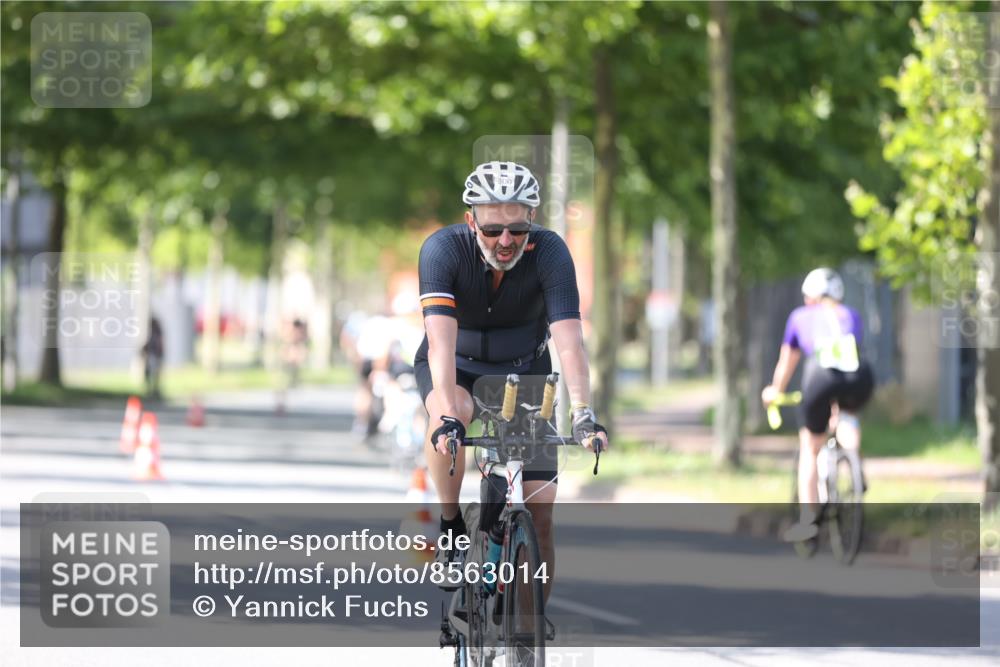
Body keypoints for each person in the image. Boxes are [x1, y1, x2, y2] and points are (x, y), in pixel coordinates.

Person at [415, 160, 609, 593]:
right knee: (455, 412)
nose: (506, 241)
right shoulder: (442, 251)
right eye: (492, 229)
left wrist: (583, 413)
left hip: (525, 374)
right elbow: (440, 345)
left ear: (532, 220)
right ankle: (450, 526)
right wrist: (447, 416)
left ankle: (529, 630)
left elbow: (570, 342)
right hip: (457, 369)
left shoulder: (551, 252)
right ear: (471, 221)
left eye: (517, 229)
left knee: (542, 511)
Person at [761, 268, 874, 542]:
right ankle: (855, 464)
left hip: (819, 377)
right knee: (847, 415)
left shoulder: (800, 317)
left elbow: (788, 360)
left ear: (809, 296)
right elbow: (846, 358)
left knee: (810, 446)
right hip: (859, 377)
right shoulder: (851, 315)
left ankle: (808, 520)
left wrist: (775, 391)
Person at [141, 317, 165, 401]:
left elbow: (155, 346)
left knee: (153, 375)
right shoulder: (153, 335)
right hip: (153, 357)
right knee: (150, 375)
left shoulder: (156, 335)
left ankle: (154, 391)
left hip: (154, 357)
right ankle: (152, 390)